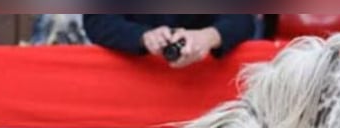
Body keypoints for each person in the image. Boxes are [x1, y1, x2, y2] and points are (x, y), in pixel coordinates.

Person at [82, 15, 257, 68]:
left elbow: (242, 19)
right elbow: (97, 21)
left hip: (203, 91)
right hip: (132, 88)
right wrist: (144, 37)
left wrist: (207, 37)